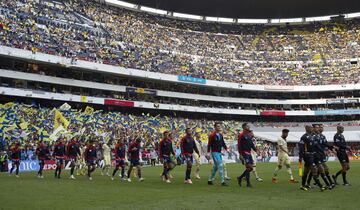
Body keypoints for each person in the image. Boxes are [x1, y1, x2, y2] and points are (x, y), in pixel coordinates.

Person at [298, 125, 326, 191]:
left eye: (311, 127)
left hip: (313, 155)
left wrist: (323, 151)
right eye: (310, 127)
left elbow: (316, 145)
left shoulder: (312, 136)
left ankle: (302, 185)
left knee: (306, 171)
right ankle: (321, 186)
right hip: (307, 155)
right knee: (314, 169)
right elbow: (301, 147)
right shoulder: (304, 137)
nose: (312, 128)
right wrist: (300, 157)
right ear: (306, 128)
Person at [207, 122, 228, 186]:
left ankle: (210, 180)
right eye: (218, 126)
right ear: (215, 127)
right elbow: (209, 144)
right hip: (214, 152)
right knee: (220, 165)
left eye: (219, 126)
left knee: (215, 167)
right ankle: (222, 181)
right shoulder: (212, 135)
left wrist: (226, 149)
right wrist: (208, 152)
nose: (219, 127)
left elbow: (223, 143)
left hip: (219, 153)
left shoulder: (220, 135)